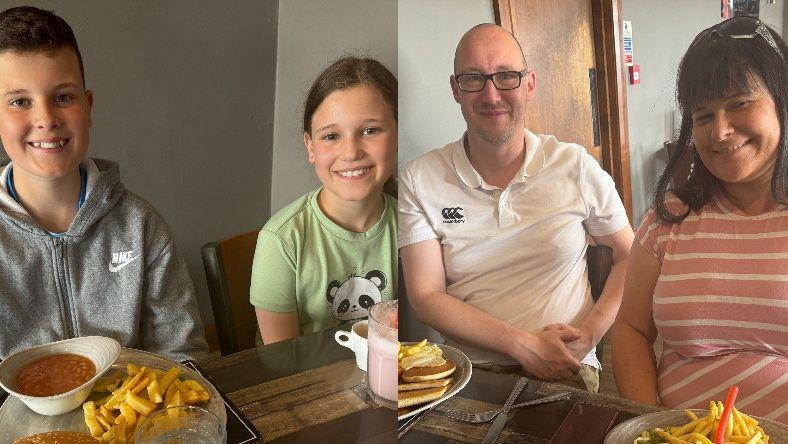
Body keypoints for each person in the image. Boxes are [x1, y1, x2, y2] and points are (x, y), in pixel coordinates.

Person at [398, 23, 633, 392]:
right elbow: (426, 297)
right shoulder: (419, 178)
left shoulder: (574, 165)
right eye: (474, 78)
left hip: (564, 368)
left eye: (506, 76)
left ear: (530, 84)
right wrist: (521, 344)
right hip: (467, 374)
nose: (491, 94)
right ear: (455, 89)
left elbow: (629, 256)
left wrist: (590, 334)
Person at [0, 6, 207, 361]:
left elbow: (183, 355)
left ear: (88, 106)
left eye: (63, 97)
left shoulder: (141, 228)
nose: (46, 119)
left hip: (129, 416)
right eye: (20, 102)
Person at [613, 17, 788, 422]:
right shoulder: (669, 217)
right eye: (703, 115)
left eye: (739, 103)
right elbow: (631, 331)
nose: (720, 131)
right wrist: (649, 423)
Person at [250, 57, 398, 344]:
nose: (351, 151)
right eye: (331, 136)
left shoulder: (413, 224)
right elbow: (283, 362)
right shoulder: (280, 241)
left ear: (397, 135)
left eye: (370, 130)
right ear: (311, 146)